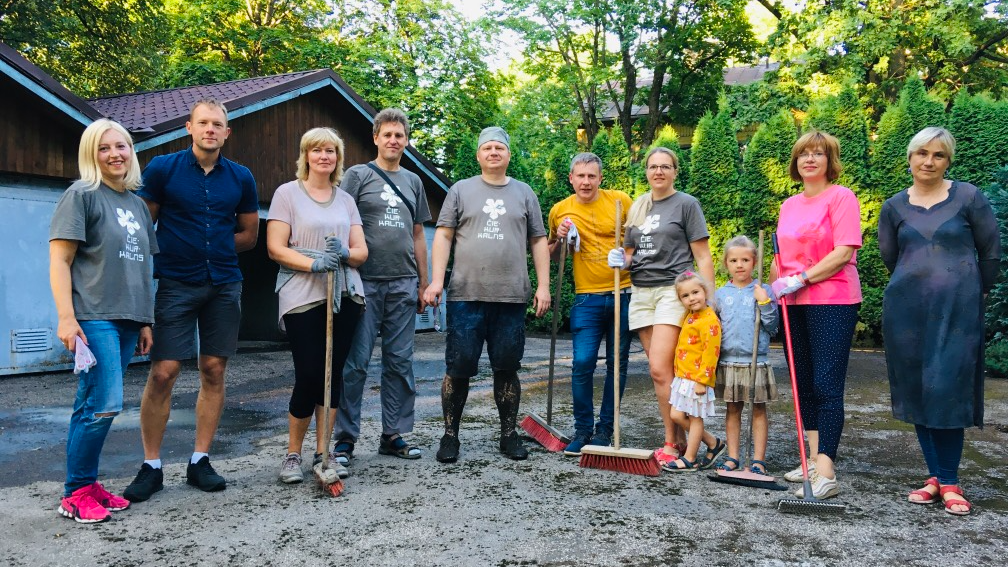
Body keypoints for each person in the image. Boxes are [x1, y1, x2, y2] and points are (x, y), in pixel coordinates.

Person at [123, 99, 259, 502]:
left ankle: (200, 460)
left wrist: (211, 246)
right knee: (164, 371)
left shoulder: (241, 177)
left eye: (218, 124)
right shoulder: (163, 169)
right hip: (176, 283)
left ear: (227, 132)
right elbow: (143, 226)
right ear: (189, 127)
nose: (210, 130)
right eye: (203, 123)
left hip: (223, 284)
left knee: (214, 369)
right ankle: (151, 465)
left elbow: (249, 235)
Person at [878, 127, 1000, 516]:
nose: (928, 161)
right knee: (918, 389)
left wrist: (968, 292)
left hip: (958, 313)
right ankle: (936, 477)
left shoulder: (968, 197)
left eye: (938, 155)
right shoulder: (894, 206)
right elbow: (891, 258)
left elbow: (991, 253)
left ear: (948, 160)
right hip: (907, 312)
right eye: (922, 153)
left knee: (947, 388)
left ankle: (949, 479)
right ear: (910, 157)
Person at [49, 119, 157, 522]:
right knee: (104, 404)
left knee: (91, 402)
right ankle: (75, 492)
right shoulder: (82, 195)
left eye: (122, 146)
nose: (115, 154)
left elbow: (142, 266)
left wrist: (145, 321)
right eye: (104, 148)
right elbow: (60, 259)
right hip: (93, 316)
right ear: (91, 154)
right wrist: (66, 317)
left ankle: (86, 484)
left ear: (131, 151)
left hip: (129, 318)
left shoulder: (135, 203)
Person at [422, 126, 551, 463]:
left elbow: (538, 240)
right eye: (488, 148)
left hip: (511, 297)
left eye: (500, 148)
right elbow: (444, 236)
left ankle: (508, 435)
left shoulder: (525, 193)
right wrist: (437, 281)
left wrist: (543, 285)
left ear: (508, 155)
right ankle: (450, 436)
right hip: (466, 294)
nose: (494, 152)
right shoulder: (461, 190)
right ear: (479, 155)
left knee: (506, 367)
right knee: (459, 366)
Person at [267, 127, 367, 484]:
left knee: (332, 375)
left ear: (338, 159)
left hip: (344, 292)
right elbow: (276, 247)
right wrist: (313, 263)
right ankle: (293, 454)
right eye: (317, 150)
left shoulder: (345, 199)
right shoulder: (287, 194)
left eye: (331, 151)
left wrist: (344, 254)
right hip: (303, 292)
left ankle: (324, 451)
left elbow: (361, 251)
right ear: (306, 155)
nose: (324, 156)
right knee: (310, 373)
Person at [607, 146, 717, 468]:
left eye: (665, 167)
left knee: (658, 366)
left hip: (672, 291)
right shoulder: (638, 206)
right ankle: (680, 441)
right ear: (646, 171)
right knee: (662, 376)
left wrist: (708, 299)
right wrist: (621, 259)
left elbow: (704, 256)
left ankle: (680, 440)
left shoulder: (686, 205)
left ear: (674, 171)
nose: (658, 172)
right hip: (640, 292)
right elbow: (630, 253)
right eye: (653, 167)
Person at [335, 109, 431, 463]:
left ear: (406, 140)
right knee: (355, 362)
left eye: (400, 135)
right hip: (363, 282)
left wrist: (425, 282)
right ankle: (345, 438)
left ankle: (393, 434)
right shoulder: (358, 175)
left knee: (400, 362)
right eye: (387, 134)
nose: (394, 140)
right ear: (375, 137)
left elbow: (419, 235)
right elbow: (341, 221)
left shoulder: (414, 182)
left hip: (404, 282)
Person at [772, 130, 861, 500]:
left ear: (829, 161)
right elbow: (782, 256)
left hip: (833, 300)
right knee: (803, 384)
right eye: (804, 153)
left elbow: (844, 252)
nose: (810, 159)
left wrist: (803, 278)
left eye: (819, 154)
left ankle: (826, 470)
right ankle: (810, 460)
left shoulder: (841, 197)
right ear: (796, 162)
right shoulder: (789, 205)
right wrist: (778, 281)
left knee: (826, 384)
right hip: (793, 303)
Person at [547, 152, 633, 456]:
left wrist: (627, 256)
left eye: (591, 176)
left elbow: (638, 241)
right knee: (582, 363)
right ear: (571, 178)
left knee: (616, 365)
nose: (586, 182)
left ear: (600, 177)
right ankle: (582, 429)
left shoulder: (621, 200)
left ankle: (605, 430)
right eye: (580, 176)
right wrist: (558, 239)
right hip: (586, 297)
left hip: (623, 292)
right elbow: (553, 256)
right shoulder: (560, 210)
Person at [713, 236, 779, 474]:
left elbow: (773, 327)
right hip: (729, 361)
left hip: (756, 360)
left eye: (745, 259)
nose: (739, 264)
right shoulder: (720, 295)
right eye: (733, 260)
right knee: (732, 409)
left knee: (759, 409)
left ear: (754, 262)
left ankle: (758, 460)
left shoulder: (764, 291)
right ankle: (732, 457)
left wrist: (765, 303)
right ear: (726, 264)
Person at [660, 272, 723, 471]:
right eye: (685, 296)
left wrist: (702, 380)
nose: (691, 298)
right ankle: (713, 442)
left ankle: (691, 458)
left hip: (697, 379)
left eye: (695, 292)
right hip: (683, 376)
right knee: (677, 415)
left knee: (696, 419)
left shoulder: (709, 321)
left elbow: (711, 353)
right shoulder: (690, 316)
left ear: (705, 292)